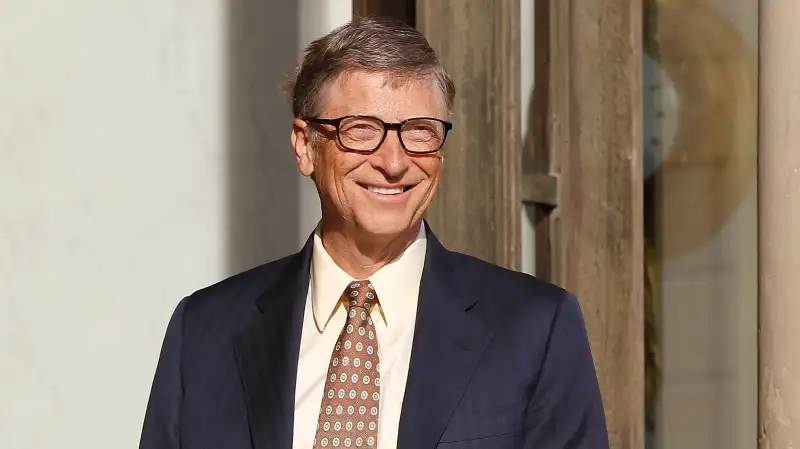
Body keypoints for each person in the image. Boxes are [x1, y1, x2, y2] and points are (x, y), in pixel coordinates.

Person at [139, 17, 608, 449]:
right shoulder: (203, 333)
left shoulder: (534, 328)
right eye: (361, 130)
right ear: (306, 146)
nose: (394, 162)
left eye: (420, 131)